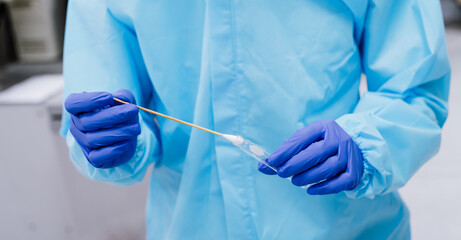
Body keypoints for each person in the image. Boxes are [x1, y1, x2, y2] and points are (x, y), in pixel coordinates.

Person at [61, 0, 450, 239]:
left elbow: (415, 87)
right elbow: (102, 104)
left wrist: (368, 144)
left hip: (344, 229)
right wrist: (115, 140)